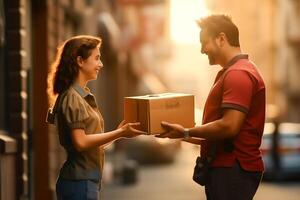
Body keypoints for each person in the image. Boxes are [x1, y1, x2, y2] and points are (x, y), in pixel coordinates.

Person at [157, 14, 265, 200]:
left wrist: (186, 132)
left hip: (232, 169)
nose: (202, 50)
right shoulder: (233, 72)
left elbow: (229, 127)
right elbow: (220, 135)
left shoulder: (238, 74)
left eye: (204, 42)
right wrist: (181, 134)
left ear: (221, 39)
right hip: (230, 168)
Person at [46, 35, 145, 200]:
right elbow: (81, 142)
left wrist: (120, 131)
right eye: (97, 58)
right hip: (79, 183)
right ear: (80, 61)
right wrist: (120, 133)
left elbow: (91, 143)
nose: (101, 64)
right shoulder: (72, 97)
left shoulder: (80, 96)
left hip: (85, 181)